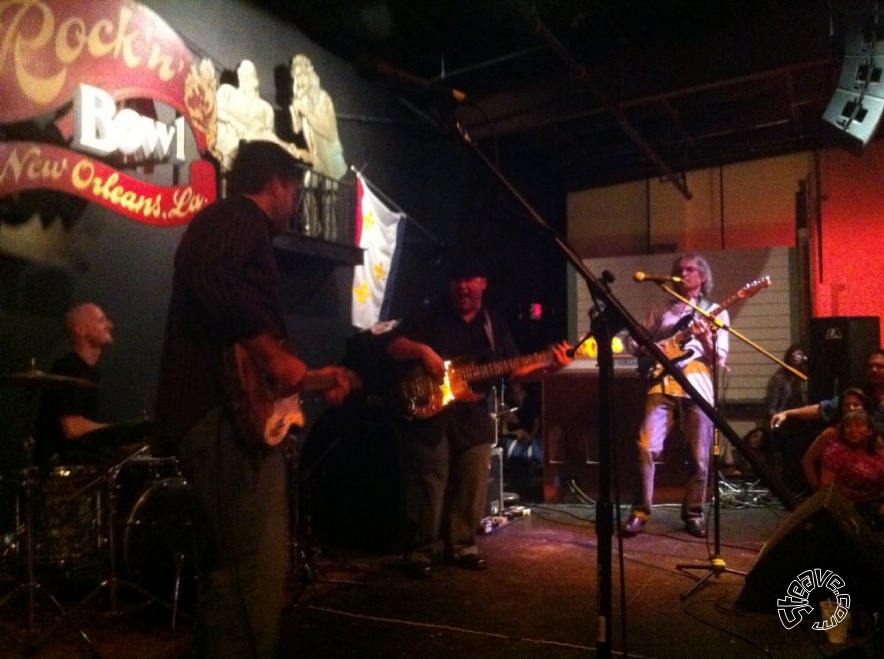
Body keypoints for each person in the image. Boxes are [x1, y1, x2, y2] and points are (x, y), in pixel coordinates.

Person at [154, 140, 353, 659]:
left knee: (231, 574)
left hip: (218, 417)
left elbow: (240, 342)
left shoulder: (230, 224)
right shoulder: (235, 218)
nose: (295, 204)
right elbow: (208, 277)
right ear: (280, 184)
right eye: (296, 192)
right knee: (251, 573)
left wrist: (312, 376)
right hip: (221, 421)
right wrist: (271, 352)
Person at [385, 259, 570, 578]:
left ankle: (463, 546)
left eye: (469, 279)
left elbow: (512, 369)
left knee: (471, 484)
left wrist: (550, 367)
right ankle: (419, 551)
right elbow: (394, 346)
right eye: (457, 279)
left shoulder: (493, 324)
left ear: (483, 282)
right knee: (427, 485)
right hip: (430, 412)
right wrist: (423, 351)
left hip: (473, 415)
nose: (462, 286)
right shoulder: (429, 315)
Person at [621, 253, 729, 538]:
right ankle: (640, 512)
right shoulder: (661, 309)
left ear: (703, 277)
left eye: (691, 269)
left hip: (698, 387)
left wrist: (706, 338)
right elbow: (633, 343)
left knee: (699, 458)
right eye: (680, 270)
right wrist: (660, 346)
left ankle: (694, 513)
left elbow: (719, 358)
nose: (685, 273)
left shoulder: (715, 311)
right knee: (646, 446)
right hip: (662, 384)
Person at [35, 303, 114, 471]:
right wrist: (120, 432)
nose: (110, 325)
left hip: (85, 456)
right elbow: (73, 429)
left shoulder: (94, 372)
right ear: (80, 330)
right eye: (101, 320)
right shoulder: (67, 368)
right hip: (63, 464)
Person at [289, 54, 347, 240]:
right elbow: (297, 128)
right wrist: (294, 109)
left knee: (329, 199)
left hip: (331, 159)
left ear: (311, 75)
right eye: (297, 76)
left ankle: (330, 236)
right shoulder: (302, 100)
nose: (301, 79)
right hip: (317, 159)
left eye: (304, 75)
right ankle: (312, 230)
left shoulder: (323, 98)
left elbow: (329, 131)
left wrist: (306, 111)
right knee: (307, 189)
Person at [215, 60, 309, 172]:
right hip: (234, 147)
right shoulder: (227, 92)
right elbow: (216, 111)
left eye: (251, 74)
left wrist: (285, 146)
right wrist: (235, 123)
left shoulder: (265, 108)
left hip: (258, 154)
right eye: (243, 73)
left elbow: (268, 135)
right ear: (239, 75)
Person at [771, 349, 884, 434]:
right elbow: (822, 409)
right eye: (870, 366)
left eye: (879, 366)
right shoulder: (859, 394)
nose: (874, 370)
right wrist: (787, 413)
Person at [820, 409, 884, 528]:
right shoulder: (835, 451)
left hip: (877, 500)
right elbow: (827, 489)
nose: (853, 430)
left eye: (859, 425)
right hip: (853, 508)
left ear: (870, 431)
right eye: (848, 426)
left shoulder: (877, 451)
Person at [801, 387, 870, 491]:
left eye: (856, 404)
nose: (851, 408)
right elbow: (807, 461)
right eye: (846, 405)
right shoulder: (832, 432)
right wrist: (818, 491)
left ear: (864, 407)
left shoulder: (871, 432)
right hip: (839, 495)